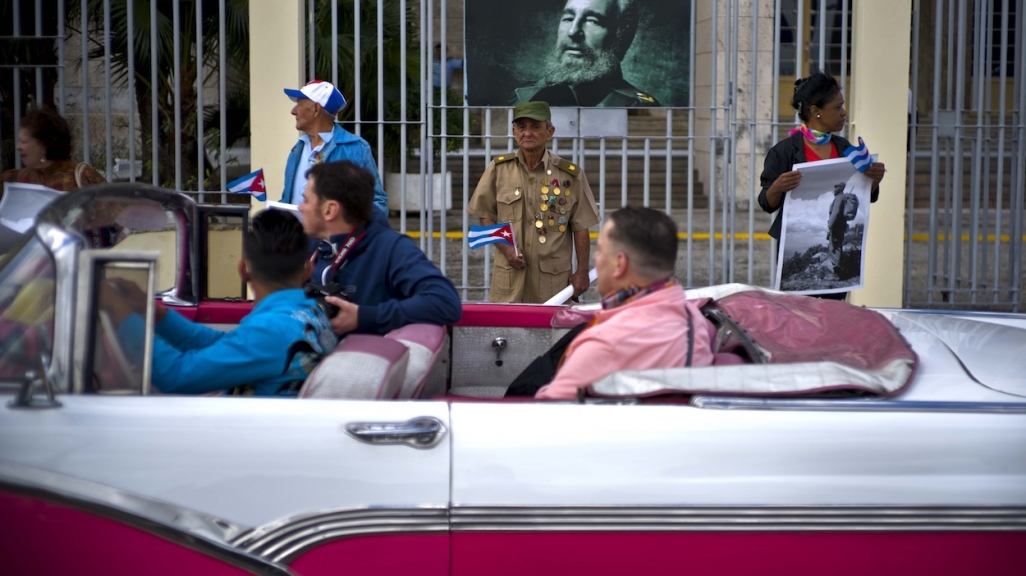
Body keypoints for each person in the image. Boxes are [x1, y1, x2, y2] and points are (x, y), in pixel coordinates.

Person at [99, 209, 337, 396]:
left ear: (243, 269)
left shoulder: (270, 330)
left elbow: (174, 377)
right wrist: (156, 314)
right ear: (308, 269)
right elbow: (226, 345)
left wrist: (121, 313)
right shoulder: (310, 312)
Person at [534, 206, 713, 400]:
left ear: (619, 263)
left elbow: (546, 412)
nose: (596, 257)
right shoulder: (698, 321)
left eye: (600, 249)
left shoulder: (603, 345)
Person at [757, 72, 886, 300]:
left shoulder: (845, 148)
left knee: (833, 313)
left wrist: (873, 180)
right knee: (798, 315)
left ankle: (834, 272)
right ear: (816, 111)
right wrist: (778, 186)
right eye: (838, 107)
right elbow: (766, 203)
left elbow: (867, 196)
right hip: (800, 234)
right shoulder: (784, 152)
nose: (844, 112)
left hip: (838, 229)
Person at [299, 160, 462, 337]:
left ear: (330, 210)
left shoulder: (390, 248)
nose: (300, 207)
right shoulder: (310, 245)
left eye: (306, 200)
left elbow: (444, 301)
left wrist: (364, 316)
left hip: (359, 359)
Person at [467, 101, 600, 303]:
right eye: (522, 127)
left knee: (552, 333)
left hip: (552, 285)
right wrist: (506, 249)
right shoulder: (499, 169)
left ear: (549, 132)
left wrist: (582, 270)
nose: (527, 133)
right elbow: (485, 215)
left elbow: (581, 226)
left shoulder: (569, 175)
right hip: (509, 280)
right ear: (514, 131)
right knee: (508, 333)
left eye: (535, 127)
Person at [512, 0, 658, 107]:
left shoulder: (639, 110)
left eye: (592, 21)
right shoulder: (518, 98)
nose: (573, 31)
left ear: (621, 38)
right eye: (568, 18)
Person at [281, 80, 389, 214]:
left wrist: (354, 233)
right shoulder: (298, 149)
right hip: (297, 235)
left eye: (299, 104)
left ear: (316, 109)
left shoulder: (356, 148)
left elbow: (377, 202)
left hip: (338, 235)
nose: (293, 111)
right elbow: (288, 200)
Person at [1, 108, 106, 192]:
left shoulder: (83, 177)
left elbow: (117, 212)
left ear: (43, 145)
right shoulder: (16, 180)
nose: (18, 147)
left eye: (23, 141)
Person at [826, 182, 854, 275]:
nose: (834, 189)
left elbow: (836, 212)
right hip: (840, 226)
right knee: (837, 246)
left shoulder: (839, 197)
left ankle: (836, 274)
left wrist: (830, 226)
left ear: (841, 188)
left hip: (836, 226)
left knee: (834, 248)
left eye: (836, 187)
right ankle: (838, 271)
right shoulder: (842, 197)